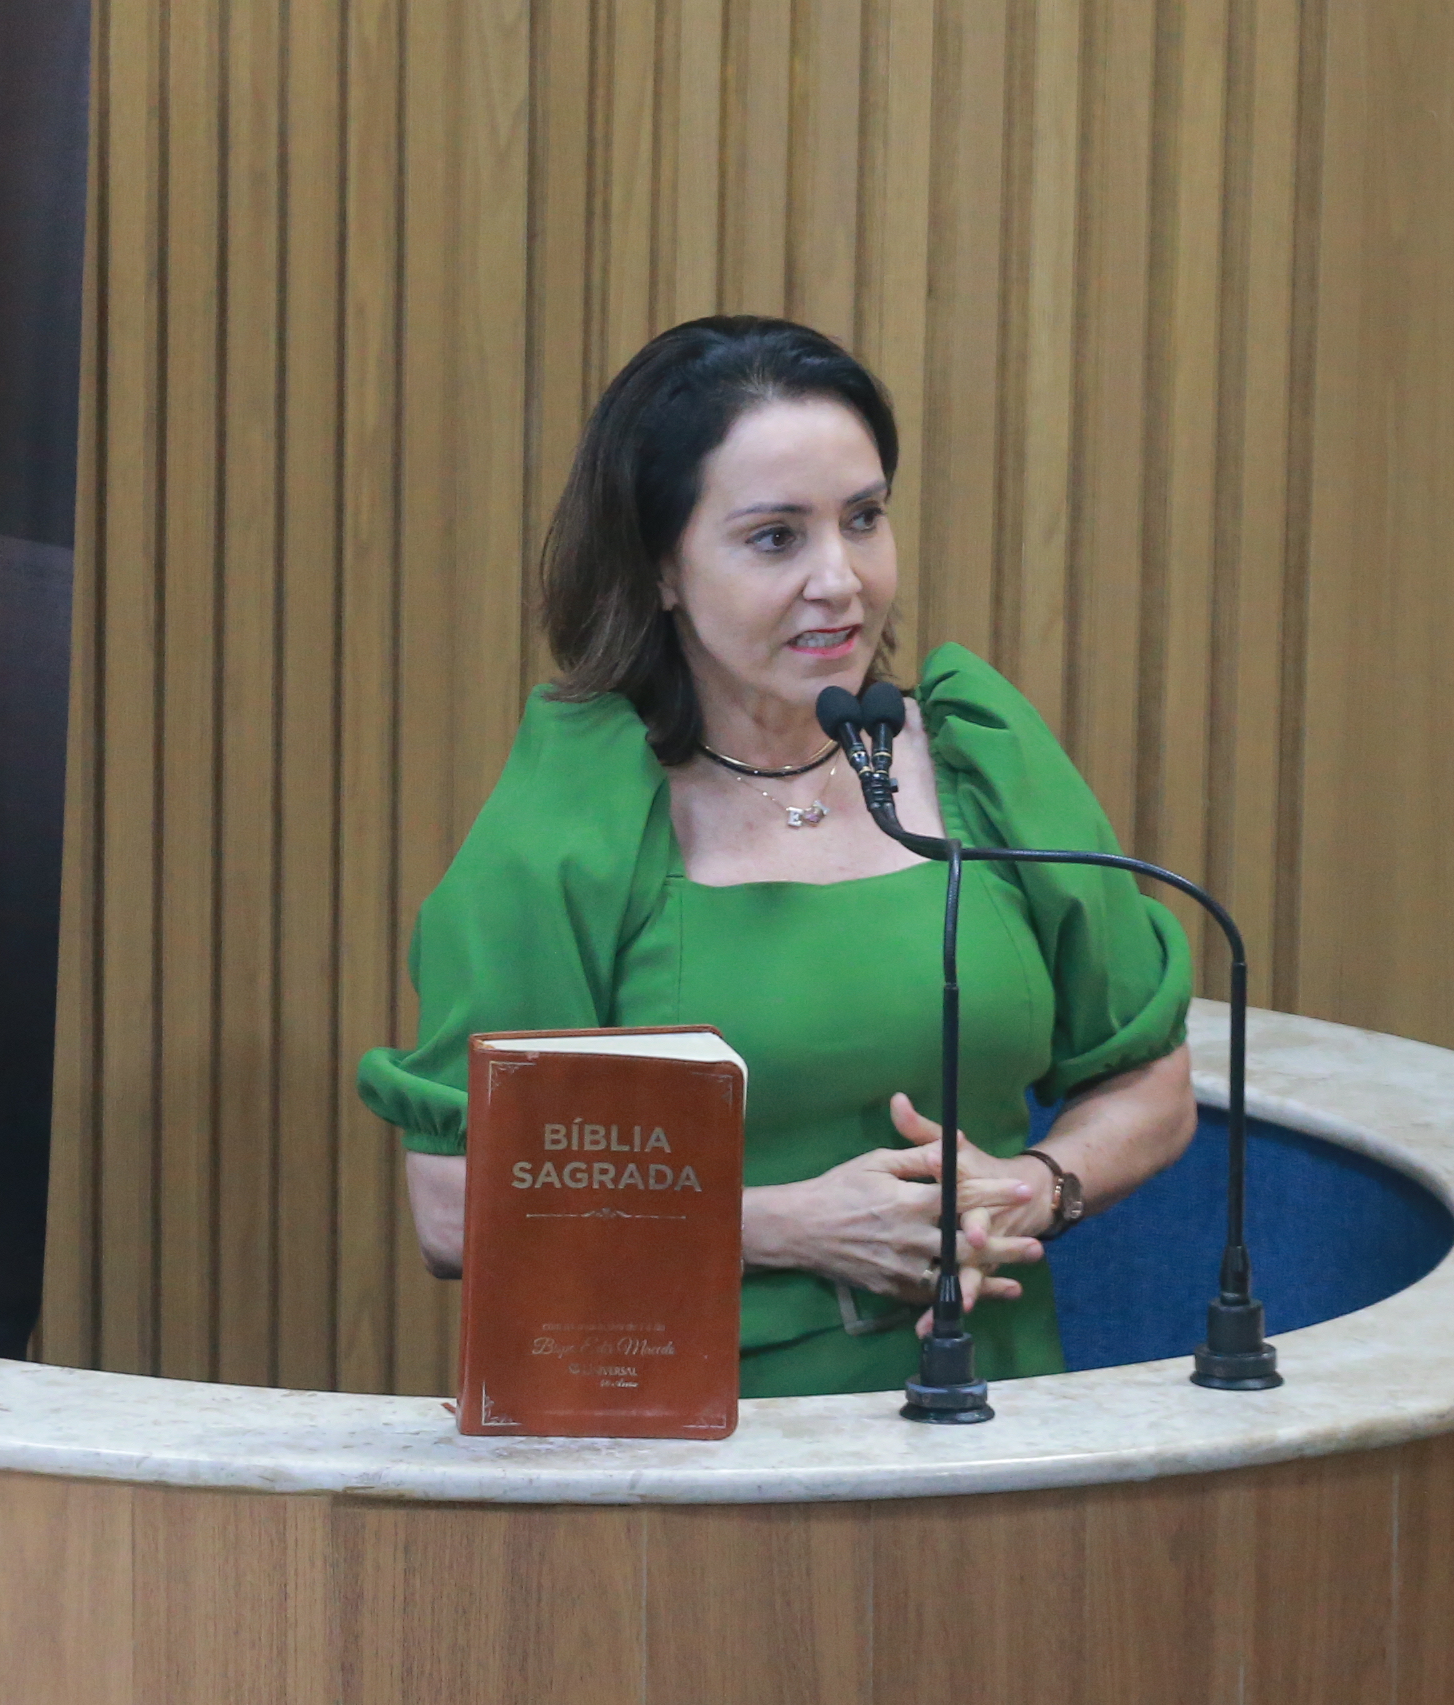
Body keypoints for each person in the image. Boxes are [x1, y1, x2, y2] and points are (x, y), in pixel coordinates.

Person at [354, 315, 1200, 1394]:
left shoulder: (979, 759)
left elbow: (1147, 1079)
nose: (840, 579)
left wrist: (1037, 1186)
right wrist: (793, 1225)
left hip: (989, 1413)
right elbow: (451, 1208)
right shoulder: (575, 822)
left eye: (864, 519)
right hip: (698, 1439)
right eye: (775, 538)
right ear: (661, 568)